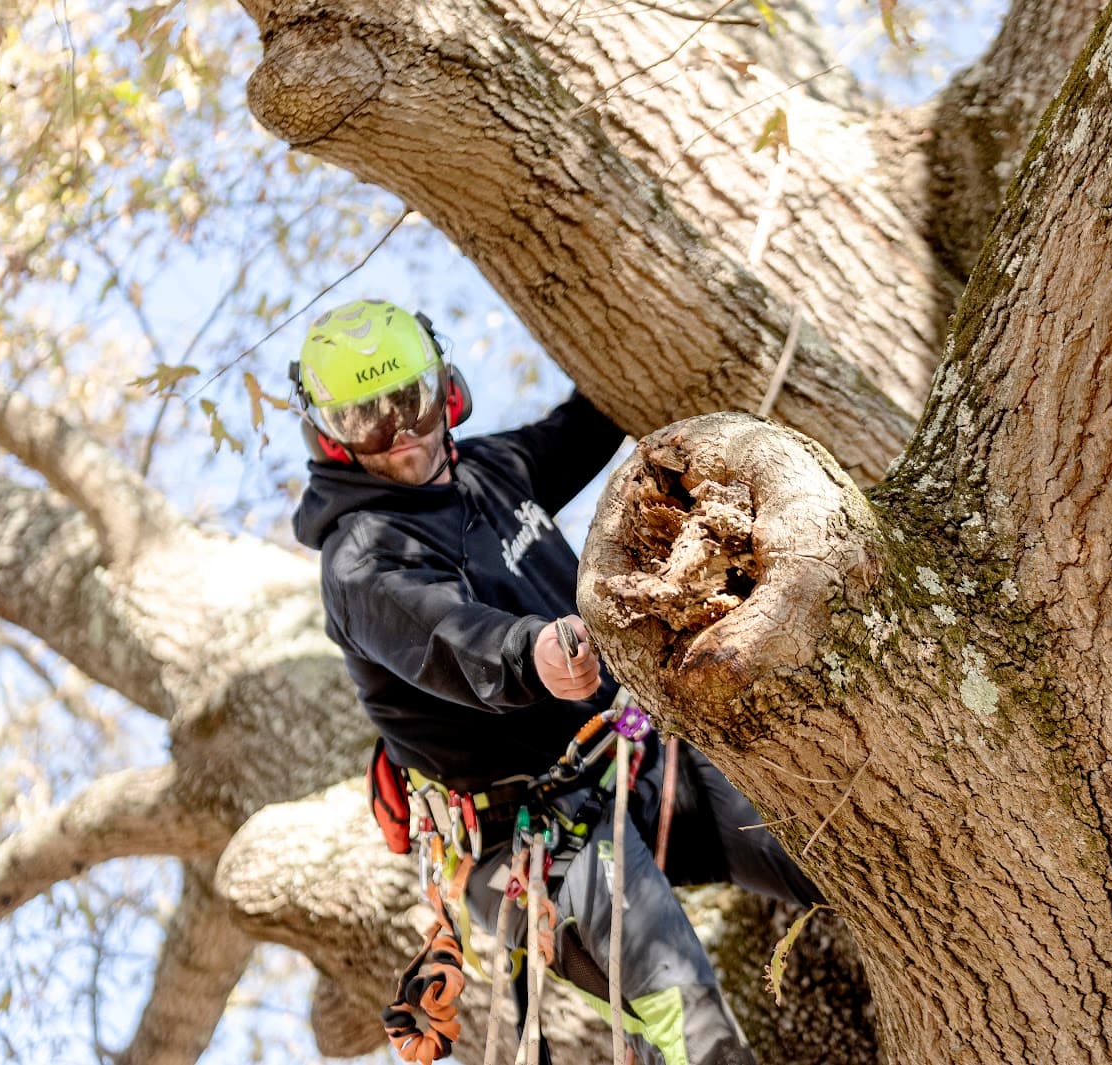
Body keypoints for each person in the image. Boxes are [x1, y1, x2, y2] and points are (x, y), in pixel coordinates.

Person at [289, 298, 819, 1065]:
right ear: (328, 435)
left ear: (446, 389)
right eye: (368, 421)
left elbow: (587, 425)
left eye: (408, 401)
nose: (401, 433)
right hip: (532, 836)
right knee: (687, 1016)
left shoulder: (492, 472)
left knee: (829, 848)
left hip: (635, 752)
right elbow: (442, 630)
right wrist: (532, 652)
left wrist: (655, 332)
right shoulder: (362, 558)